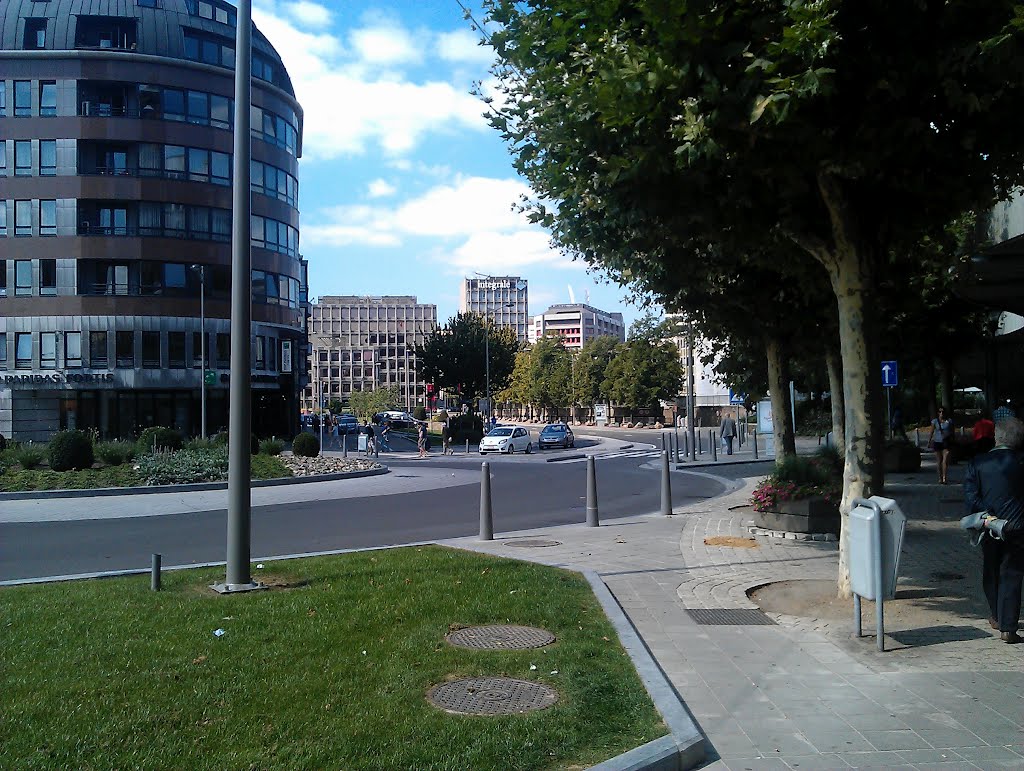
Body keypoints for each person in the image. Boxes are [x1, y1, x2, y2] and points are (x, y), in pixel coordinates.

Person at [963, 416, 1024, 644]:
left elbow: (971, 497)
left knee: (991, 569)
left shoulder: (977, 463)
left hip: (988, 525)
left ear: (996, 437)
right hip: (1018, 527)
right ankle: (1008, 627)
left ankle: (997, 616)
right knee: (1012, 573)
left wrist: (986, 516)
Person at [929, 406, 954, 484]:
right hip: (937, 442)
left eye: (943, 411)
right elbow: (931, 432)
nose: (941, 413)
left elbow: (952, 431)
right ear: (938, 413)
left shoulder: (949, 421)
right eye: (940, 412)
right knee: (939, 461)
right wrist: (929, 441)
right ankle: (939, 477)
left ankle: (944, 478)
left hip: (946, 442)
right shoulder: (935, 421)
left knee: (945, 460)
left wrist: (953, 440)